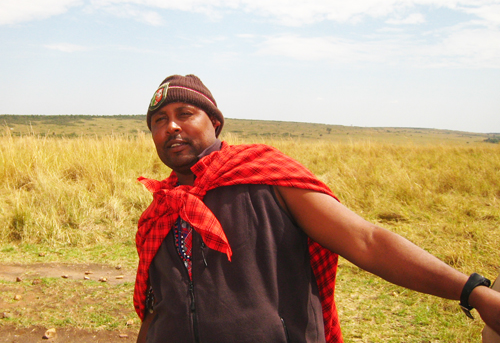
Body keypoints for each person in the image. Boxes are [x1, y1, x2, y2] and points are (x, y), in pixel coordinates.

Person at [135, 74, 500, 343]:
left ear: (214, 122)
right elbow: (156, 309)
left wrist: (472, 291)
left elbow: (366, 240)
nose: (172, 127)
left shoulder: (266, 176)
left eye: (185, 113)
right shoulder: (159, 212)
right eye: (159, 121)